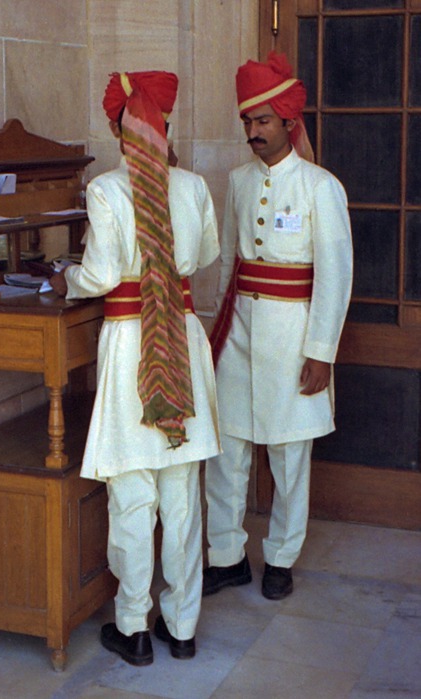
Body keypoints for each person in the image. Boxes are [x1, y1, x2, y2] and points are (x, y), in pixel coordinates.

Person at [51, 70, 221, 665]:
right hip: (179, 336)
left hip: (131, 346)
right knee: (181, 497)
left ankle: (134, 627)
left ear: (120, 132)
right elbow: (202, 256)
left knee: (132, 496)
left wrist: (64, 277)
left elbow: (96, 277)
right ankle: (183, 627)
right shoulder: (194, 187)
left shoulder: (105, 191)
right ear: (164, 127)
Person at [203, 52, 353, 601]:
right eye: (247, 121)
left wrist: (321, 351)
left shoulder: (320, 186)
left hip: (294, 339)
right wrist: (217, 334)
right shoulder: (238, 181)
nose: (253, 131)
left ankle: (282, 557)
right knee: (227, 453)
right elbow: (229, 267)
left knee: (291, 456)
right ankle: (227, 556)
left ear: (288, 122)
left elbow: (336, 274)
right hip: (239, 332)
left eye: (263, 120)